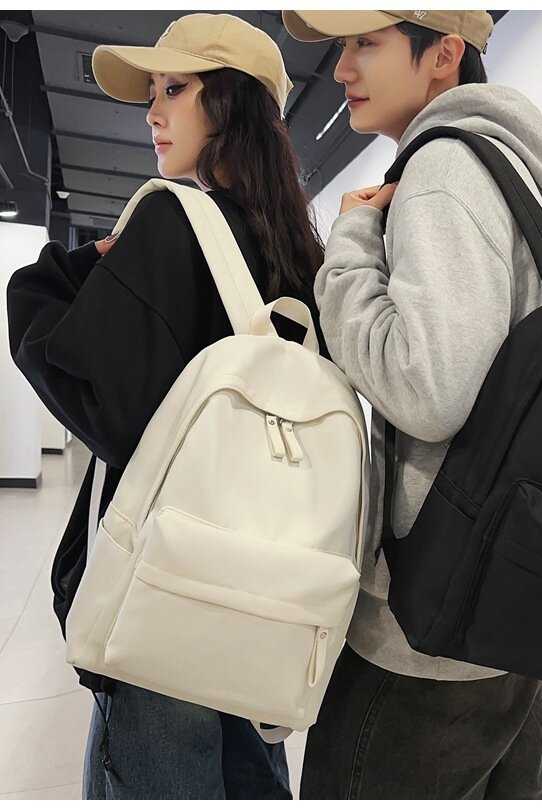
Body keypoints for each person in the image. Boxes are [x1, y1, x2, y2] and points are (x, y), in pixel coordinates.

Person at [7, 12, 327, 800]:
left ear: (231, 103)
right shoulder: (299, 252)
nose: (152, 112)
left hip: (169, 587)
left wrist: (60, 274)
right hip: (265, 589)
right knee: (249, 776)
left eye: (174, 90)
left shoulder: (171, 220)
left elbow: (99, 401)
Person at [282, 10, 542, 800]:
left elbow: (428, 389)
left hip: (426, 629)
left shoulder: (443, 170)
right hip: (499, 598)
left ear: (443, 55)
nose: (343, 70)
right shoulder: (507, 171)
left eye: (365, 44)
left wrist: (350, 243)